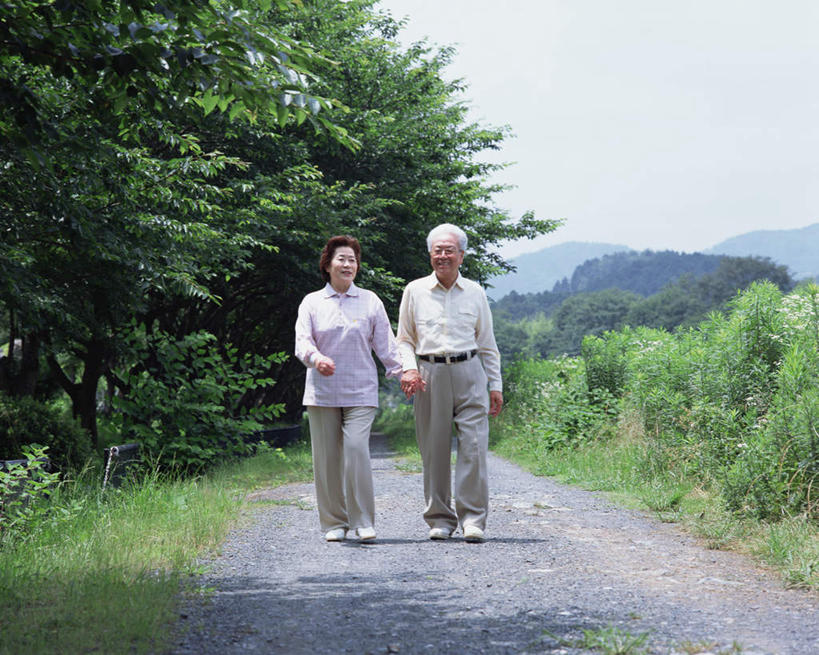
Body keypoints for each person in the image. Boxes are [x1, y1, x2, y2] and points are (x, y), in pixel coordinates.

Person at [295, 235, 416, 542]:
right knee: (326, 460)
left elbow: (386, 346)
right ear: (328, 264)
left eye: (353, 260)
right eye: (342, 259)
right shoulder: (312, 302)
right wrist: (316, 358)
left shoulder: (370, 301)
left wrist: (403, 373)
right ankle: (334, 523)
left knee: (355, 451)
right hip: (322, 393)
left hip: (360, 391)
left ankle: (363, 520)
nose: (348, 264)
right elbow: (302, 342)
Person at [397, 223, 503, 543]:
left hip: (470, 371)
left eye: (449, 250)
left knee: (473, 446)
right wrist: (409, 369)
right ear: (430, 254)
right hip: (430, 375)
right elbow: (403, 339)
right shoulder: (414, 291)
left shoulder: (475, 292)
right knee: (434, 448)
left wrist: (495, 384)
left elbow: (487, 343)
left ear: (461, 255)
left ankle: (473, 519)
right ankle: (440, 518)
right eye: (437, 250)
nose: (443, 256)